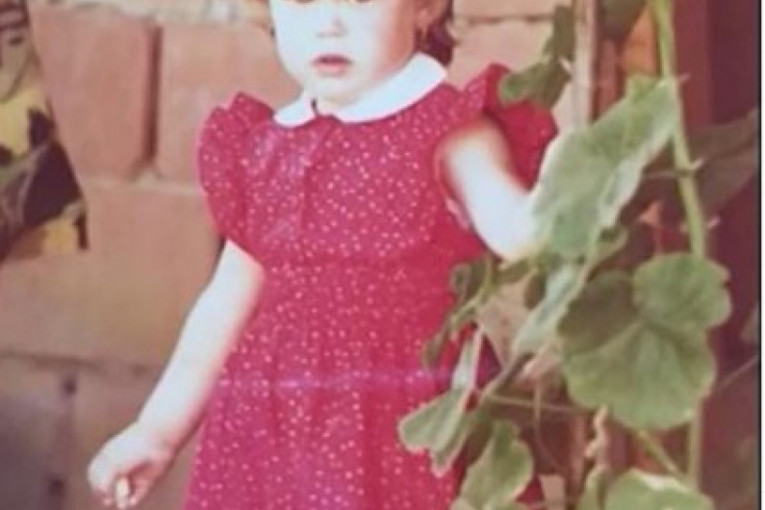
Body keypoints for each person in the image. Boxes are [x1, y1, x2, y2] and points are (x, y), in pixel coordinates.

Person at [86, 0, 557, 508]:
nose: (329, 24)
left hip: (401, 420)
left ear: (424, 8)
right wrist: (156, 433)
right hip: (272, 429)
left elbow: (517, 232)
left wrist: (569, 181)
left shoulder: (450, 129)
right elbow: (224, 307)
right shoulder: (267, 147)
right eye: (303, 1)